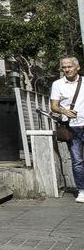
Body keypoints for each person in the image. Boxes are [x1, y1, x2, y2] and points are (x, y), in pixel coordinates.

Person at [50, 56, 84, 203]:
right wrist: (63, 111)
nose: (66, 69)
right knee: (77, 160)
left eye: (69, 66)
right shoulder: (57, 84)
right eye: (64, 67)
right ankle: (82, 190)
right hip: (72, 127)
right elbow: (53, 106)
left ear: (78, 67)